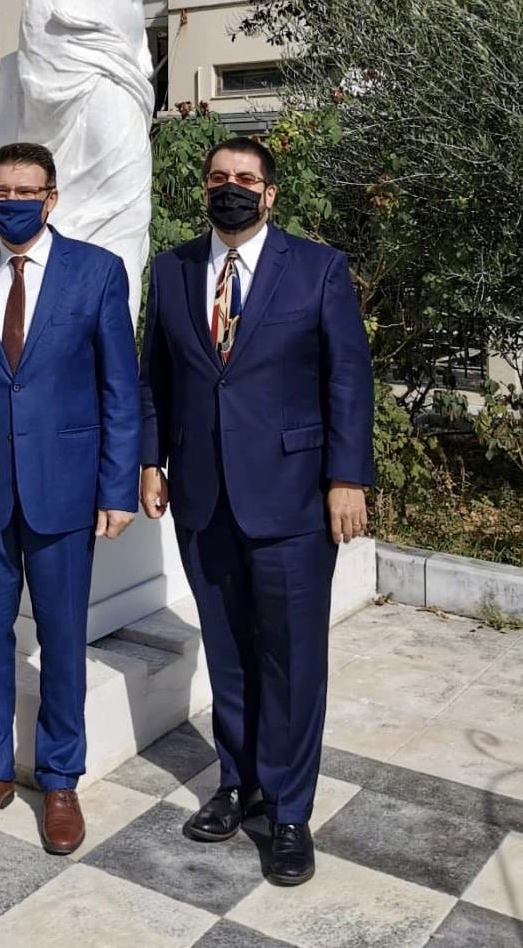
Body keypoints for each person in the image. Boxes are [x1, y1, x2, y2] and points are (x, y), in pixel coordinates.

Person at [139, 137, 374, 887]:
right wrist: (150, 460)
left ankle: (290, 810)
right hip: (203, 495)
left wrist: (347, 477)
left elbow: (348, 379)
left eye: (245, 178)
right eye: (218, 178)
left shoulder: (318, 268)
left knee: (293, 660)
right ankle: (238, 783)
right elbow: (155, 377)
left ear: (270, 193)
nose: (230, 187)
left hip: (295, 497)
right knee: (229, 651)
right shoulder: (172, 269)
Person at [0, 142, 140, 855]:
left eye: (25, 190)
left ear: (51, 197)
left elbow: (120, 390)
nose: (11, 201)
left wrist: (117, 487)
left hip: (64, 490)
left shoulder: (96, 272)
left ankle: (60, 778)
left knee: (63, 638)